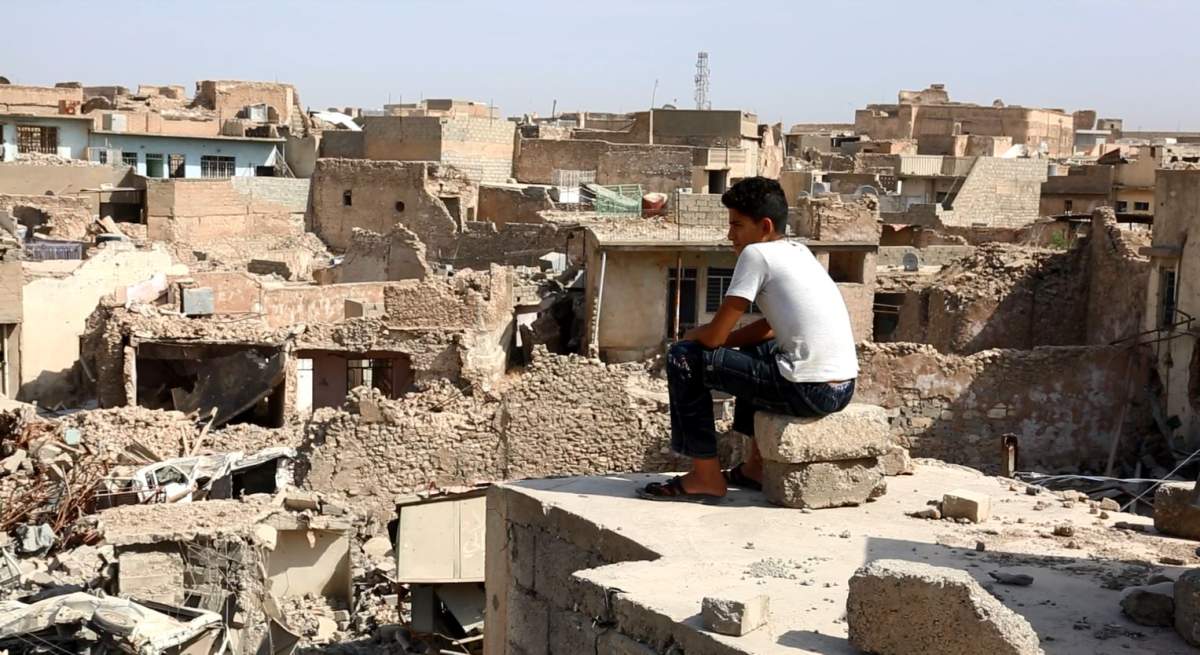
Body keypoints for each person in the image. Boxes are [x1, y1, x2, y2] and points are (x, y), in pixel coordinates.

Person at [637, 176, 859, 502]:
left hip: (809, 389)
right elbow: (769, 328)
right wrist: (727, 344)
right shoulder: (800, 252)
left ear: (764, 226)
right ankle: (754, 466)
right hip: (840, 388)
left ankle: (705, 476)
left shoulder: (756, 254)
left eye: (737, 225)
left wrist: (691, 336)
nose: (731, 235)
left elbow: (713, 337)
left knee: (682, 356)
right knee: (760, 349)